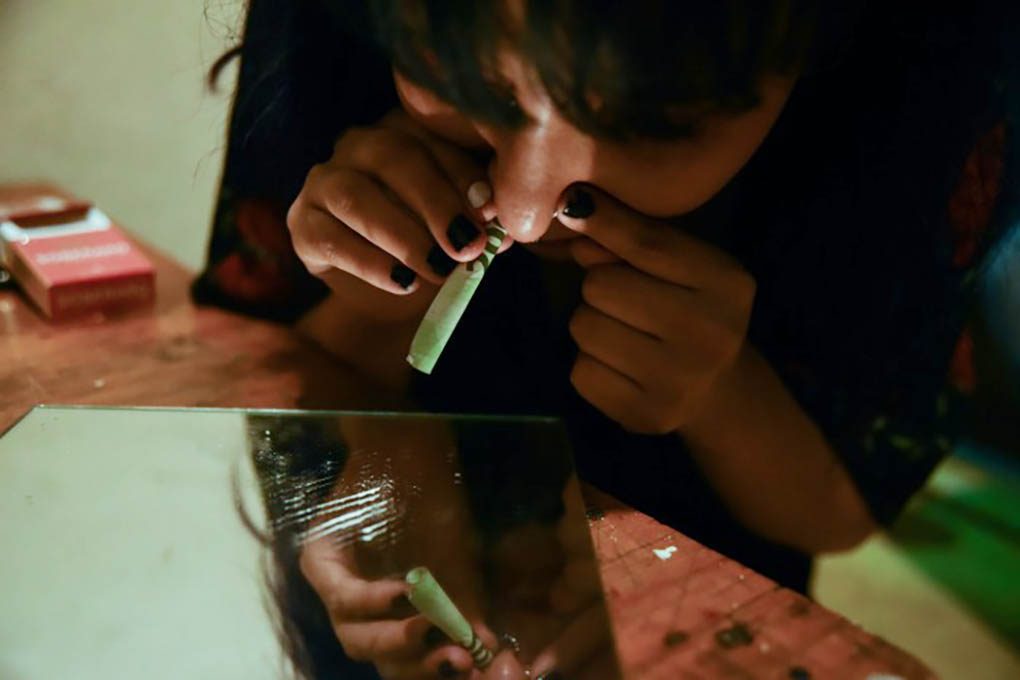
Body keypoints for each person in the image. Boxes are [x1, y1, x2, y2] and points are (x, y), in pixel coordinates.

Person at [195, 1, 1016, 678]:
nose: (525, 212)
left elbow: (841, 511)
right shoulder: (325, 37)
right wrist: (375, 367)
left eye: (651, 121)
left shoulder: (924, 88)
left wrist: (723, 392)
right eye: (468, 78)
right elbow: (233, 373)